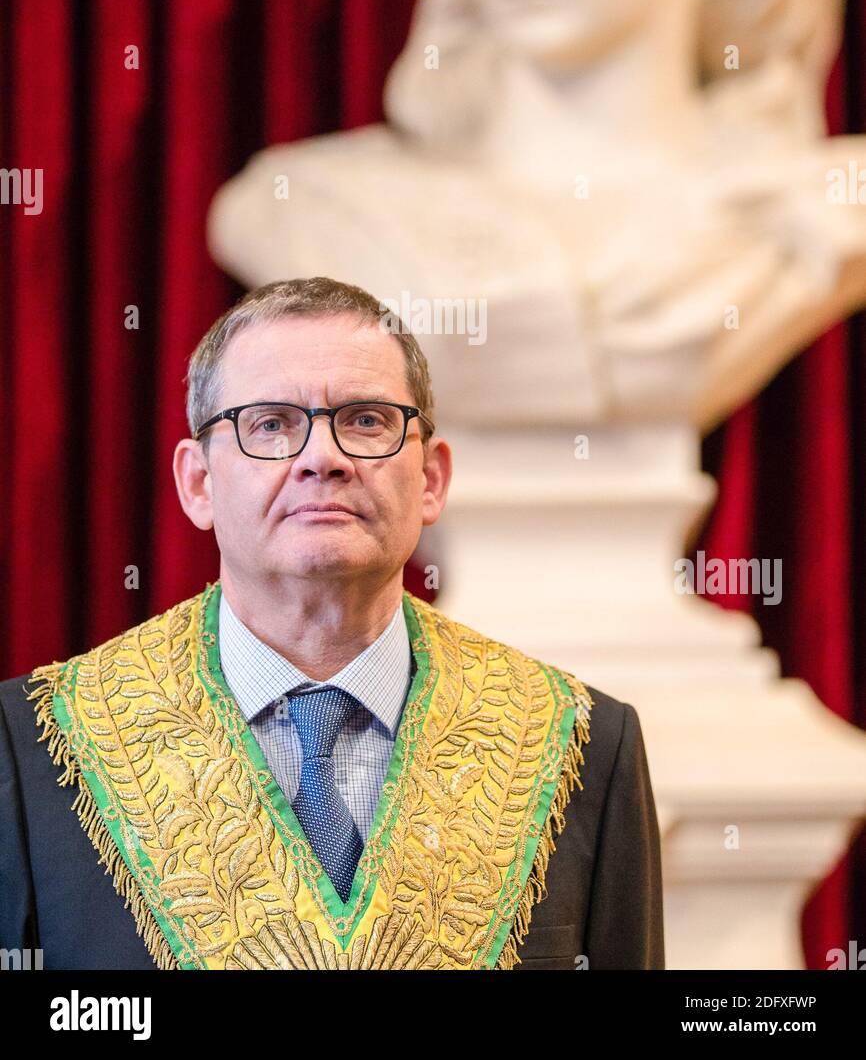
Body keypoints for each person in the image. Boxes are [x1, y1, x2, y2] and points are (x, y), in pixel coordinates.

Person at [0, 276, 664, 970]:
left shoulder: (583, 746)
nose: (322, 458)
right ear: (197, 483)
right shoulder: (34, 747)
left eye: (367, 421)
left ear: (432, 480)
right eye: (270, 425)